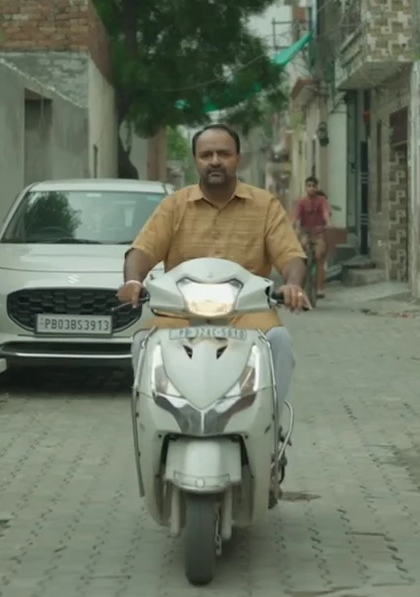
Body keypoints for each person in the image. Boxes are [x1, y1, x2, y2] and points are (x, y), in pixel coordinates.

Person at [118, 124, 312, 474]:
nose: (215, 161)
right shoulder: (175, 205)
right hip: (181, 310)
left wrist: (293, 285)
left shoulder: (265, 205)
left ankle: (270, 426)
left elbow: (290, 255)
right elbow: (143, 249)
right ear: (196, 160)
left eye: (223, 153)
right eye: (206, 155)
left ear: (238, 158)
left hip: (245, 310)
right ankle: (152, 420)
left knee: (279, 341)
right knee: (142, 342)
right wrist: (133, 280)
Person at [294, 177, 330, 300]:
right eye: (309, 186)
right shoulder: (301, 202)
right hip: (305, 233)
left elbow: (325, 212)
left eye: (313, 186)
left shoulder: (322, 200)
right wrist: (294, 226)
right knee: (301, 255)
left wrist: (328, 222)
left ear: (317, 187)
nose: (311, 188)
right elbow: (295, 216)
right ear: (305, 187)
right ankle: (301, 284)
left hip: (318, 233)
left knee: (319, 257)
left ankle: (320, 288)